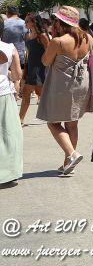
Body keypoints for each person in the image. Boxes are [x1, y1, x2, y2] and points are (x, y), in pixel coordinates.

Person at [36, 5, 93, 175]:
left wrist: (50, 41)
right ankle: (67, 163)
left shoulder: (58, 41)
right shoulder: (86, 38)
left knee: (53, 123)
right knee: (72, 124)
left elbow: (45, 61)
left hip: (63, 86)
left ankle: (71, 154)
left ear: (60, 22)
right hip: (81, 85)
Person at [0, 37, 23, 187]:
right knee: (8, 136)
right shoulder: (9, 48)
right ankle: (6, 173)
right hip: (4, 94)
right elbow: (17, 75)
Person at [18, 13, 46, 125]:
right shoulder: (28, 35)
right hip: (30, 66)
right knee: (28, 93)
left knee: (39, 93)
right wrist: (25, 69)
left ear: (34, 22)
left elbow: (49, 51)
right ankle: (20, 119)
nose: (25, 24)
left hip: (39, 67)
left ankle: (20, 119)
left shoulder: (42, 36)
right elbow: (28, 53)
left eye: (27, 21)